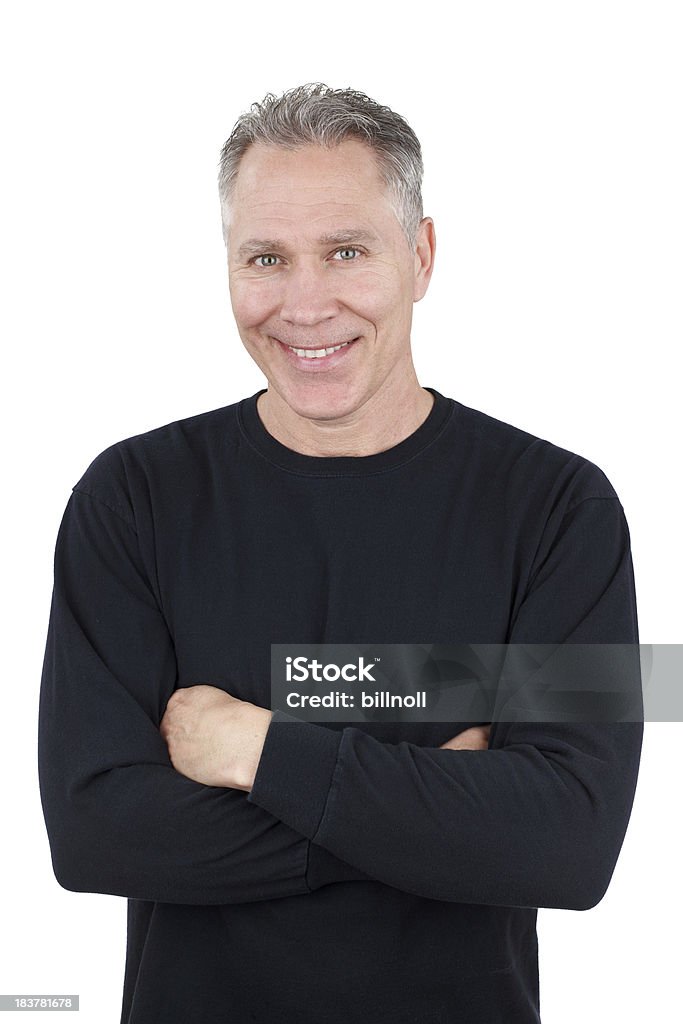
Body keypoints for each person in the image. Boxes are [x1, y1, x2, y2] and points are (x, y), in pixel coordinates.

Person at [38, 82, 643, 1024]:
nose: (303, 304)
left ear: (420, 256)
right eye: (266, 257)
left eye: (347, 252)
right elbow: (92, 835)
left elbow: (570, 846)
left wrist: (257, 749)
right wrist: (433, 812)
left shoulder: (563, 508)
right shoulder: (131, 498)